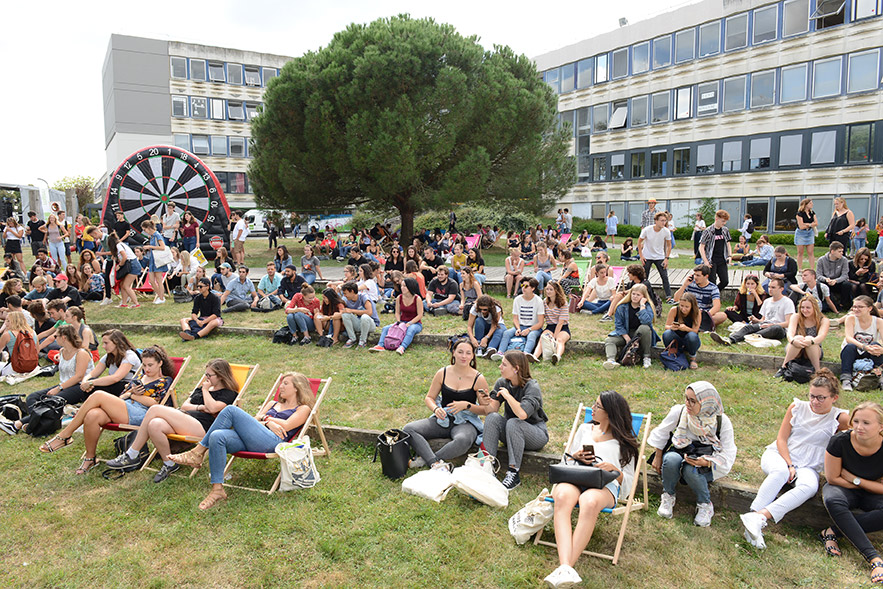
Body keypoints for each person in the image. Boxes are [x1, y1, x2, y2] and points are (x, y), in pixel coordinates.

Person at [166, 371, 314, 507]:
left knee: (230, 410)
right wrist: (268, 421)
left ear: (297, 388)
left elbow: (287, 426)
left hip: (272, 442)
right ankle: (217, 489)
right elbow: (255, 419)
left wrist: (265, 419)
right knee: (217, 436)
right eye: (281, 383)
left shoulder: (303, 409)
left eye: (285, 383)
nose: (280, 386)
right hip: (253, 438)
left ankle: (197, 452)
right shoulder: (273, 404)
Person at [740, 370, 848, 549]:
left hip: (809, 465)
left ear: (834, 398)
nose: (815, 401)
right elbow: (782, 439)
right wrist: (789, 464)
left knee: (810, 486)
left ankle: (758, 518)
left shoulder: (840, 417)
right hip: (780, 455)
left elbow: (844, 445)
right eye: (812, 396)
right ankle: (753, 516)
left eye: (821, 398)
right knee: (780, 471)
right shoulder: (797, 407)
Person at [544, 390, 639, 588]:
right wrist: (576, 456)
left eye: (597, 407)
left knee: (589, 501)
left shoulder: (624, 440)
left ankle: (565, 566)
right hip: (577, 475)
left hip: (605, 485)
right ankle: (566, 568)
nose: (592, 409)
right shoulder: (584, 429)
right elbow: (565, 461)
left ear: (610, 412)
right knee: (561, 495)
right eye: (593, 405)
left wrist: (614, 470)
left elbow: (629, 480)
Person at [38, 346, 175, 474]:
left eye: (150, 365)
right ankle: (90, 459)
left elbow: (155, 405)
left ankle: (65, 436)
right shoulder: (140, 377)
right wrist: (130, 394)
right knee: (93, 415)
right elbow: (122, 396)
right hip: (125, 407)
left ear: (160, 363)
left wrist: (132, 394)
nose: (146, 369)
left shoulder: (164, 381)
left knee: (98, 395)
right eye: (144, 365)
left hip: (143, 415)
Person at [105, 359, 241, 484]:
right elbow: (185, 406)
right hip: (186, 419)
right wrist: (201, 406)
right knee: (155, 424)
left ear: (221, 376)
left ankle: (132, 453)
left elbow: (212, 408)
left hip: (203, 428)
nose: (206, 378)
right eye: (206, 374)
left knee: (154, 409)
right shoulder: (201, 389)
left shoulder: (228, 393)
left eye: (210, 375)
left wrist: (206, 391)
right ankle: (169, 463)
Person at [650, 381, 736, 527]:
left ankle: (705, 504)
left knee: (691, 470)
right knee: (670, 459)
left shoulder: (721, 421)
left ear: (706, 403)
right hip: (681, 449)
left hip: (706, 458)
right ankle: (668, 496)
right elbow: (662, 432)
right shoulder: (680, 411)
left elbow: (728, 452)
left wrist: (707, 462)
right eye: (686, 399)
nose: (688, 404)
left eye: (693, 401)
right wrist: (658, 457)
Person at [819, 402, 883, 584]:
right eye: (856, 421)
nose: (859, 427)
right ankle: (874, 558)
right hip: (842, 488)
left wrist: (856, 480)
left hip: (862, 488)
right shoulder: (840, 441)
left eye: (866, 423)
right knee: (832, 499)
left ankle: (832, 532)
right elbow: (833, 478)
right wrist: (869, 484)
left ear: (881, 426)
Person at [402, 339, 491, 470]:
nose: (464, 356)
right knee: (409, 428)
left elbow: (485, 410)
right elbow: (429, 397)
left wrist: (467, 405)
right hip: (444, 418)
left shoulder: (478, 378)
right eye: (460, 352)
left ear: (473, 356)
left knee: (463, 440)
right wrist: (436, 408)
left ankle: (429, 460)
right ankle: (435, 463)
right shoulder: (442, 373)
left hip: (465, 423)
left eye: (468, 353)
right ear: (453, 352)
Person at [1, 326, 94, 436]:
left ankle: (17, 425)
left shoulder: (81, 353)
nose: (55, 339)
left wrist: (58, 388)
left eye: (56, 336)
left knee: (49, 401)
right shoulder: (62, 351)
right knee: (32, 397)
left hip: (80, 387)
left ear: (64, 337)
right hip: (64, 385)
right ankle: (35, 422)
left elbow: (79, 377)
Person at [477, 350, 548, 490]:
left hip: (535, 434)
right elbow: (492, 411)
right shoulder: (502, 383)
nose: (500, 367)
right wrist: (484, 400)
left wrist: (508, 396)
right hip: (511, 432)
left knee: (514, 421)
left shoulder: (532, 387)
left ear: (516, 368)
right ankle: (487, 466)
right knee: (493, 418)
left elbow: (522, 414)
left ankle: (513, 473)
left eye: (504, 364)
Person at [711, 278, 794, 346]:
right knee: (748, 327)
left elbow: (788, 323)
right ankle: (730, 339)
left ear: (781, 289)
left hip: (778, 328)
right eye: (769, 287)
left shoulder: (787, 302)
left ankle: (748, 337)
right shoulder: (767, 301)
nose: (770, 289)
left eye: (773, 287)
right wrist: (756, 321)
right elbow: (763, 319)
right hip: (764, 325)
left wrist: (771, 325)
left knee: (775, 328)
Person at [603, 283, 658, 370]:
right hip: (626, 333)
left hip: (641, 335)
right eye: (633, 294)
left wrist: (642, 306)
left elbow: (647, 321)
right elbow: (618, 324)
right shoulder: (622, 307)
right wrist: (626, 337)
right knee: (609, 340)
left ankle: (646, 358)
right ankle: (611, 360)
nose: (635, 296)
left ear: (643, 296)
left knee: (644, 328)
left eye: (638, 295)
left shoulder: (647, 307)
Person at [775, 295, 830, 377]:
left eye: (808, 308)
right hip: (795, 347)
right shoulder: (796, 316)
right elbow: (790, 333)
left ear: (814, 308)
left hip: (814, 349)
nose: (805, 310)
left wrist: (811, 341)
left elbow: (821, 336)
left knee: (809, 338)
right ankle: (784, 367)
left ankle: (817, 371)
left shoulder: (823, 320)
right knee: (798, 337)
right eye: (802, 307)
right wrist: (793, 341)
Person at [839, 295, 883, 391]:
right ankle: (846, 379)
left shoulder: (879, 322)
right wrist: (865, 347)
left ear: (869, 308)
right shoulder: (850, 318)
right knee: (850, 346)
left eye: (860, 307)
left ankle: (879, 376)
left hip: (869, 352)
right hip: (852, 351)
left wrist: (881, 350)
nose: (856, 309)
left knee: (876, 346)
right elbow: (849, 338)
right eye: (854, 307)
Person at [493, 278, 544, 360]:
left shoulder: (538, 301)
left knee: (531, 335)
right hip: (520, 326)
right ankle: (500, 352)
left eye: (526, 286)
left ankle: (526, 353)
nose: (523, 288)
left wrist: (529, 329)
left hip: (534, 328)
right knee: (506, 333)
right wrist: (518, 328)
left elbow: (540, 323)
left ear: (533, 288)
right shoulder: (517, 299)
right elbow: (515, 318)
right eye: (522, 285)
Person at [371, 278, 424, 355]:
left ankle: (402, 347)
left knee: (410, 330)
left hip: (415, 323)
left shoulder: (417, 298)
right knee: (386, 328)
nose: (402, 288)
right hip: (402, 322)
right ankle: (380, 345)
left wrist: (409, 323)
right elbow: (397, 312)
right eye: (401, 286)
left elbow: (420, 315)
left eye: (405, 286)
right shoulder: (399, 297)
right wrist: (399, 321)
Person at [673, 265, 727, 331]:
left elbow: (717, 306)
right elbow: (676, 298)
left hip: (704, 314)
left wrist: (707, 316)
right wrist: (684, 286)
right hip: (689, 312)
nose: (695, 277)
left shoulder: (713, 288)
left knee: (722, 316)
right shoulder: (690, 284)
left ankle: (698, 324)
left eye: (698, 275)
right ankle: (700, 325)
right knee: (675, 311)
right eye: (694, 275)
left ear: (706, 276)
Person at [529, 281, 570, 365]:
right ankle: (535, 356)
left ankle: (557, 356)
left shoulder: (563, 303)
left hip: (563, 327)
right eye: (547, 289)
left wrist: (554, 337)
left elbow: (561, 322)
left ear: (556, 291)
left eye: (551, 289)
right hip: (550, 326)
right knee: (542, 338)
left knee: (560, 339)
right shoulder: (544, 302)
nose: (548, 291)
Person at [638, 211, 673, 301]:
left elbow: (669, 245)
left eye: (665, 221)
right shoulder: (647, 229)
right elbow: (639, 242)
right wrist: (641, 256)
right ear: (656, 221)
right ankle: (641, 295)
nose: (663, 222)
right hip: (647, 256)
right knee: (644, 277)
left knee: (664, 276)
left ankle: (668, 297)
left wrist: (666, 258)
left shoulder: (666, 231)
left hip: (660, 256)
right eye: (661, 220)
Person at [663, 293, 702, 370]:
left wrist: (686, 328)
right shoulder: (674, 310)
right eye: (681, 306)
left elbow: (695, 330)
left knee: (692, 335)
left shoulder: (697, 312)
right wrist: (672, 327)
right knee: (667, 333)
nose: (683, 309)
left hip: (690, 340)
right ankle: (673, 355)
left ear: (692, 306)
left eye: (687, 307)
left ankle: (692, 358)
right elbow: (666, 326)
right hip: (677, 338)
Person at [699, 209, 732, 292]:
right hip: (711, 260)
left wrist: (730, 256)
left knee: (725, 281)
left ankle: (714, 293)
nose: (724, 223)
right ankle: (712, 298)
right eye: (722, 221)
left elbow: (728, 244)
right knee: (712, 281)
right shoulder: (708, 231)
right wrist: (706, 261)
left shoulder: (725, 230)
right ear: (717, 218)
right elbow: (701, 247)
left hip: (722, 259)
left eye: (725, 222)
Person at [108, 233, 141, 308]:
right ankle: (124, 303)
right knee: (122, 285)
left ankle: (136, 303)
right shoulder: (121, 244)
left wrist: (119, 266)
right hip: (131, 264)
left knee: (126, 285)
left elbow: (125, 257)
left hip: (133, 265)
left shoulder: (119, 245)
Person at [340, 281, 378, 348]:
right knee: (345, 315)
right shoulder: (346, 299)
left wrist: (351, 310)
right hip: (359, 323)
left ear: (352, 291)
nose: (344, 295)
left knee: (364, 317)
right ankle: (352, 339)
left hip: (370, 324)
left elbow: (369, 312)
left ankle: (363, 341)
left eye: (345, 293)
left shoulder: (364, 297)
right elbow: (341, 310)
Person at [467, 294, 505, 359]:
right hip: (484, 326)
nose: (482, 311)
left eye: (485, 309)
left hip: (496, 326)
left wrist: (487, 337)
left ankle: (490, 349)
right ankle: (479, 347)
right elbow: (469, 326)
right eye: (480, 309)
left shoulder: (496, 308)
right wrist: (472, 339)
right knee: (479, 320)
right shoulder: (474, 308)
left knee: (500, 330)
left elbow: (494, 325)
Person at [0, 311, 37, 377]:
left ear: (13, 322)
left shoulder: (8, 334)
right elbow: (37, 350)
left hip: (15, 368)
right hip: (32, 367)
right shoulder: (33, 332)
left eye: (8, 321)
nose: (5, 323)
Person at [140, 220, 169, 304]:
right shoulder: (152, 236)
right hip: (153, 260)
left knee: (159, 280)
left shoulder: (157, 235)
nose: (145, 232)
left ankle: (161, 297)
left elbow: (163, 247)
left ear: (148, 228)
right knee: (152, 281)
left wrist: (150, 246)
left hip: (157, 260)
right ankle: (159, 295)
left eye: (145, 230)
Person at [817, 241, 852, 310]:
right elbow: (818, 275)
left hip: (838, 282)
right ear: (832, 251)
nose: (842, 253)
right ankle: (832, 305)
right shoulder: (821, 260)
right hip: (826, 281)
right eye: (839, 251)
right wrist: (826, 279)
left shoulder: (844, 260)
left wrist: (836, 280)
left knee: (847, 284)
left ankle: (843, 304)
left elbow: (845, 275)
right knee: (820, 284)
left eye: (842, 251)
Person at [795, 198, 818, 270]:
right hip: (801, 233)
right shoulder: (800, 214)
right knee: (800, 252)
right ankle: (800, 269)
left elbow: (816, 223)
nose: (812, 204)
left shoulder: (812, 213)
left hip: (810, 232)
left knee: (811, 252)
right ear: (806, 204)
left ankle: (812, 268)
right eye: (810, 203)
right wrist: (811, 224)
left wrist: (808, 225)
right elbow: (801, 226)